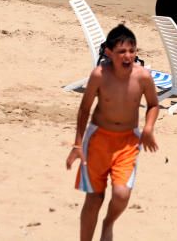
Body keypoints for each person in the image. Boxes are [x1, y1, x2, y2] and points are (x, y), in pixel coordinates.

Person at [66, 24, 159, 241]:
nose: (128, 56)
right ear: (109, 53)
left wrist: (148, 128)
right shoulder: (99, 75)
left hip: (127, 142)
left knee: (121, 193)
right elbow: (84, 109)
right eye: (121, 52)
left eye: (132, 51)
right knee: (94, 198)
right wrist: (77, 144)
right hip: (98, 139)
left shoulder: (142, 76)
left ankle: (108, 223)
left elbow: (154, 104)